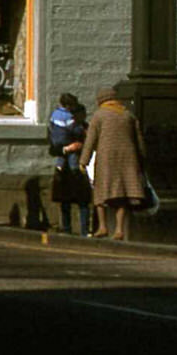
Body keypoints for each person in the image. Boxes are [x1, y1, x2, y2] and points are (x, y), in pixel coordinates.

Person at [79, 83, 146, 241]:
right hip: (128, 159)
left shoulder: (99, 115)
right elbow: (139, 140)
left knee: (101, 192)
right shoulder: (128, 115)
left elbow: (90, 140)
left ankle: (102, 226)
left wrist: (84, 160)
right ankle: (119, 229)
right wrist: (142, 159)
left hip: (106, 159)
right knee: (122, 194)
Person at [50, 99, 92, 235]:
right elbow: (53, 149)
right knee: (65, 201)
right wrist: (67, 149)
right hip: (65, 169)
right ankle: (67, 229)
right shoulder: (62, 128)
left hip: (81, 167)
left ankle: (84, 231)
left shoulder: (86, 128)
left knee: (83, 201)